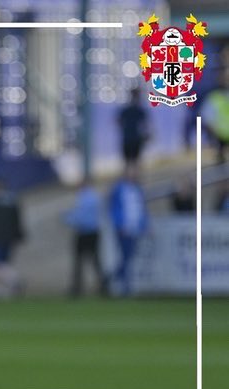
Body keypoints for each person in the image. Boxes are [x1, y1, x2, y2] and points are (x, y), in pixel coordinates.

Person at [108, 164, 148, 296]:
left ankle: (110, 278)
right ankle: (126, 288)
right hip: (123, 229)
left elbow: (142, 209)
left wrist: (143, 225)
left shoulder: (138, 189)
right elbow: (113, 208)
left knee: (128, 258)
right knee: (126, 257)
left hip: (135, 229)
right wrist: (119, 225)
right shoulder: (119, 189)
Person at [63, 180, 107, 297]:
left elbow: (80, 217)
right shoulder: (95, 197)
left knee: (79, 262)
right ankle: (103, 286)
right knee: (95, 261)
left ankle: (77, 288)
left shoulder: (84, 198)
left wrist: (66, 218)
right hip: (94, 232)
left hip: (85, 232)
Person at [117, 87, 149, 170]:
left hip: (129, 138)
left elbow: (119, 122)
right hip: (134, 138)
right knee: (134, 162)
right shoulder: (139, 110)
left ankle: (130, 179)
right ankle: (134, 179)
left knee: (129, 162)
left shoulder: (127, 109)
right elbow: (145, 125)